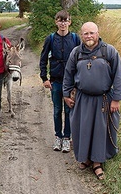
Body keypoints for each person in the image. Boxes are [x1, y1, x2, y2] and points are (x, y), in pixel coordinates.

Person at [63, 22, 121, 180]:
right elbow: (68, 75)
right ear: (81, 35)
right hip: (82, 99)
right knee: (82, 129)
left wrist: (116, 99)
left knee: (100, 131)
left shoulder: (109, 51)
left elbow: (118, 76)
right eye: (85, 34)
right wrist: (66, 94)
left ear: (97, 33)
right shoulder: (76, 52)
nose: (89, 36)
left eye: (92, 33)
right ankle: (85, 158)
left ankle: (97, 162)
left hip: (103, 99)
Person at [39, 10, 81, 153]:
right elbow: (43, 59)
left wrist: (79, 81)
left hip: (71, 82)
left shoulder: (75, 39)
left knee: (69, 110)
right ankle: (58, 136)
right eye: (60, 20)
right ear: (56, 22)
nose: (63, 23)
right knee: (57, 110)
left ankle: (67, 138)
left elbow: (81, 60)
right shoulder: (50, 39)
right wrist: (44, 78)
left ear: (70, 22)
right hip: (56, 81)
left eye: (65, 20)